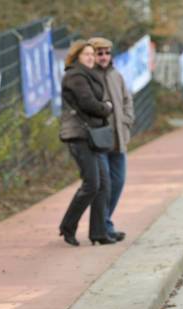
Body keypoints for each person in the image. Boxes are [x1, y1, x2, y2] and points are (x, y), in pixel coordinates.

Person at [58, 40, 115, 246]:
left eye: (92, 54)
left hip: (91, 134)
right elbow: (88, 103)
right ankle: (68, 226)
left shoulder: (89, 75)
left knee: (103, 184)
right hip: (79, 135)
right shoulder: (75, 76)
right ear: (77, 57)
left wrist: (103, 107)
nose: (91, 57)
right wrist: (106, 107)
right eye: (86, 54)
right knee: (91, 183)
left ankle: (98, 232)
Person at [89, 37, 134, 242]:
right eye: (99, 53)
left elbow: (127, 100)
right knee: (103, 184)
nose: (104, 57)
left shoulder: (117, 75)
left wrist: (126, 121)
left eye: (107, 53)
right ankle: (103, 226)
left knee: (118, 182)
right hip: (99, 140)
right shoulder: (88, 77)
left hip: (118, 138)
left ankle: (105, 222)